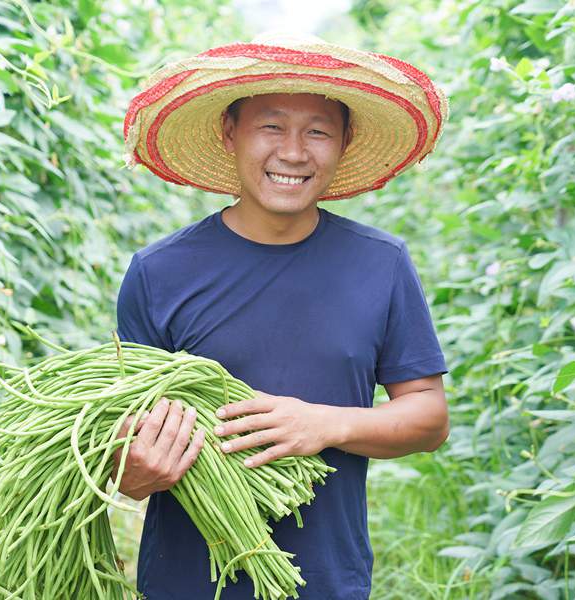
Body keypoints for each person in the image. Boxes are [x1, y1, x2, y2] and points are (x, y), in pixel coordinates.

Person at [114, 33, 450, 600]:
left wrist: (324, 424)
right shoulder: (158, 272)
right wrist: (135, 471)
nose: (294, 152)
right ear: (230, 132)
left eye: (318, 131)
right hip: (185, 583)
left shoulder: (381, 264)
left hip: (326, 582)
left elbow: (428, 418)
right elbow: (123, 451)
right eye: (271, 126)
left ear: (344, 142)